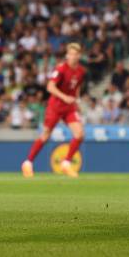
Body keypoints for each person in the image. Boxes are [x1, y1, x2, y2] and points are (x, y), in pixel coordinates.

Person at [21, 43, 86, 178]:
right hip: (55, 106)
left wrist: (76, 100)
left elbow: (76, 87)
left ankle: (66, 163)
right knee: (45, 135)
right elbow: (50, 87)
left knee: (79, 134)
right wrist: (65, 97)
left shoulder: (81, 71)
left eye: (75, 54)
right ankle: (28, 163)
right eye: (71, 54)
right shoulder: (61, 68)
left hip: (69, 107)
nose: (73, 57)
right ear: (67, 55)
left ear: (79, 56)